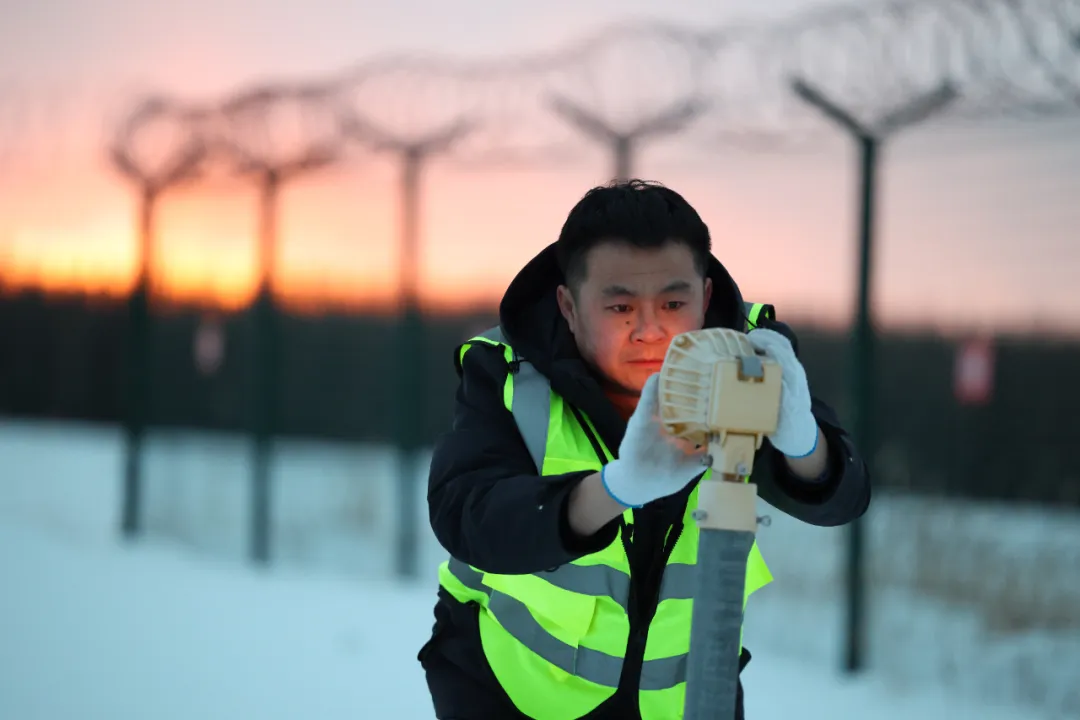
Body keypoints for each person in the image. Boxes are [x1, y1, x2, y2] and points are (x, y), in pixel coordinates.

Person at [419, 179, 871, 720]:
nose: (651, 331)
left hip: (684, 698)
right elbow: (466, 514)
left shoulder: (747, 360)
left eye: (674, 303)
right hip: (512, 690)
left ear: (705, 297)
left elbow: (843, 498)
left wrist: (804, 444)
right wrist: (612, 490)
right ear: (569, 306)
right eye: (620, 307)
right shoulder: (509, 372)